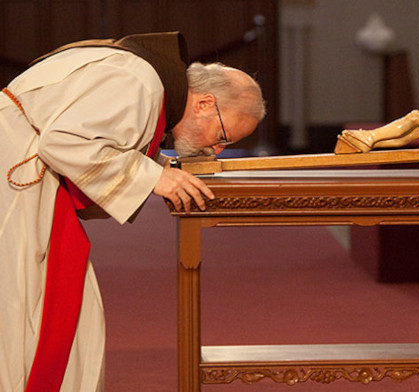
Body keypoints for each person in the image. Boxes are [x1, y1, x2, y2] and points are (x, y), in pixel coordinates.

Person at [0, 32, 265, 392]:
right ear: (204, 103)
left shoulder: (143, 75)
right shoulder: (139, 81)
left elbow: (102, 136)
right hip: (16, 181)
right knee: (23, 317)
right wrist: (155, 176)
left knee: (60, 320)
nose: (216, 150)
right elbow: (64, 140)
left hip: (23, 175)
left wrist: (157, 164)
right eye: (222, 136)